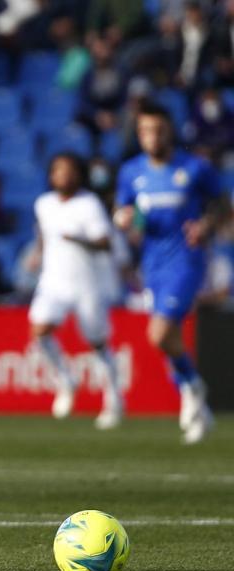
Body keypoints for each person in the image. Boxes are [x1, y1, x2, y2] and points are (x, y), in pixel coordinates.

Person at [113, 102, 229, 445]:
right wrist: (125, 219)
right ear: (139, 134)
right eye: (146, 131)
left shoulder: (194, 168)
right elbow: (124, 210)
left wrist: (207, 224)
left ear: (170, 132)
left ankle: (193, 387)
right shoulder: (131, 171)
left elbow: (222, 204)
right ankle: (198, 404)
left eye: (159, 130)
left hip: (187, 261)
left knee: (159, 333)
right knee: (169, 339)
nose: (153, 136)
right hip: (152, 265)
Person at [28, 153, 123, 429]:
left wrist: (78, 239)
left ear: (79, 175)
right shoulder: (43, 204)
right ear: (51, 175)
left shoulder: (89, 204)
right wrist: (38, 255)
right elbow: (45, 236)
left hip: (87, 283)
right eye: (58, 170)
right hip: (53, 281)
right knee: (39, 331)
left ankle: (114, 398)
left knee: (98, 343)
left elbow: (105, 243)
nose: (63, 176)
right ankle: (66, 381)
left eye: (69, 171)